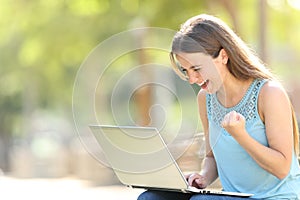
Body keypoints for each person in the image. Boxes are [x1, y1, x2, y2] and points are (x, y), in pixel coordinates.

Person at [137, 14, 300, 199]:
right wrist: (203, 177)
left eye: (197, 69)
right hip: (233, 196)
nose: (192, 79)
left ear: (223, 56)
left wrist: (241, 135)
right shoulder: (205, 98)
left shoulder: (269, 93)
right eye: (186, 70)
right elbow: (211, 157)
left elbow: (282, 168)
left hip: (274, 197)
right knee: (150, 197)